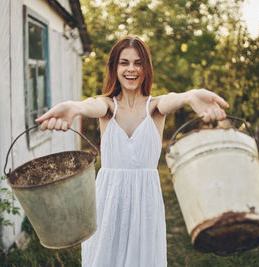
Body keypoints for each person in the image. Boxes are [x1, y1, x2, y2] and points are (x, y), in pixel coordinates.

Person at [36, 36, 229, 267]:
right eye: (124, 62)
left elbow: (171, 100)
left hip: (145, 205)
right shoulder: (107, 106)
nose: (131, 69)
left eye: (138, 63)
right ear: (114, 67)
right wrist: (74, 107)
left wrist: (189, 96)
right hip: (107, 202)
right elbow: (91, 104)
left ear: (146, 68)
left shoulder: (155, 108)